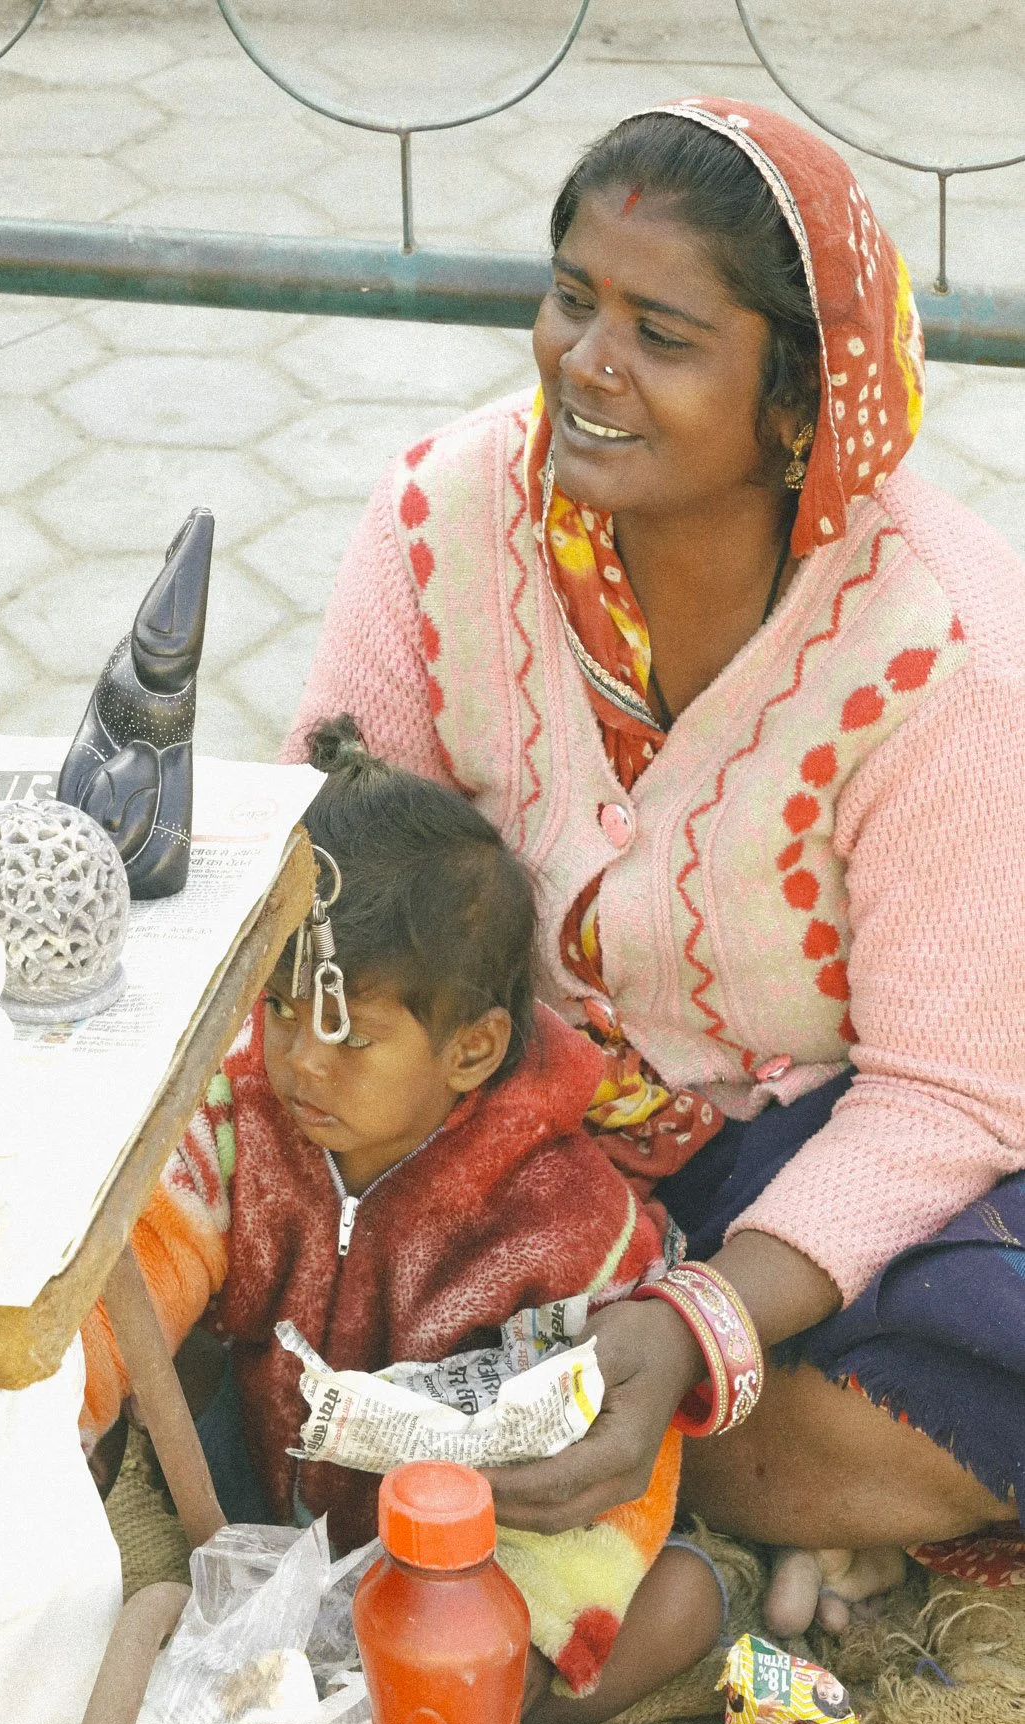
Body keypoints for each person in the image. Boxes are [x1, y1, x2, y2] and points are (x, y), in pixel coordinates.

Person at [288, 96, 1025, 1635]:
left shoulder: (942, 655)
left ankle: (594, 1485)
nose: (584, 365)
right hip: (507, 1113)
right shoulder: (445, 520)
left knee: (991, 1334)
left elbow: (945, 1094)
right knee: (256, 1171)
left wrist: (692, 1328)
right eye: (572, 298)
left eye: (662, 334)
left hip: (815, 1146)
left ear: (794, 405)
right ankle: (691, 1511)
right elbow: (344, 879)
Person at [82, 719, 726, 1724]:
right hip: (262, 1489)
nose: (302, 1060)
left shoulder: (565, 1213)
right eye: (284, 1010)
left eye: (354, 1035)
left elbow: (616, 1454)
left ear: (469, 1050)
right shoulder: (240, 1112)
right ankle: (346, 1690)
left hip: (464, 1559)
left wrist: (543, 1611)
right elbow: (154, 1252)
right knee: (98, 1522)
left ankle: (512, 1696)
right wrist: (66, 1395)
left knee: (604, 1630)